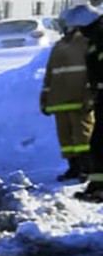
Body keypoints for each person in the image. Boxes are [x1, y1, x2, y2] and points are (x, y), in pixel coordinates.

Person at [40, 20, 94, 182]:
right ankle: (74, 168)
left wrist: (90, 96)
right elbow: (50, 75)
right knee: (66, 139)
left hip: (80, 100)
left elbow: (94, 71)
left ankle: (87, 168)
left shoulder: (86, 43)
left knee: (83, 137)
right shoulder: (58, 47)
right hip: (60, 101)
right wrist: (44, 99)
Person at [64, 3, 103, 201]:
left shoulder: (100, 38)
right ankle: (97, 184)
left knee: (98, 142)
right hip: (100, 96)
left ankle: (98, 186)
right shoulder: (95, 38)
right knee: (97, 143)